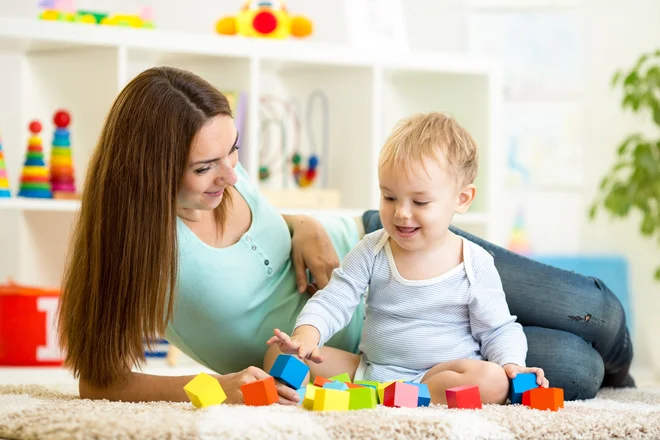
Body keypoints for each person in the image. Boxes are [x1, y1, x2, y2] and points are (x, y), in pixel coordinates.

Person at [57, 66, 633, 405]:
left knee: (593, 311)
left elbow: (262, 236)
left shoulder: (228, 179)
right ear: (152, 170)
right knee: (574, 368)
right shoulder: (141, 249)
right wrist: (217, 385)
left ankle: (628, 376)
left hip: (385, 243)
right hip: (363, 350)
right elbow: (99, 381)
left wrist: (303, 223)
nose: (231, 176)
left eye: (233, 152)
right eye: (206, 168)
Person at [266, 113, 549, 404]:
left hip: (440, 376)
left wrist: (512, 363)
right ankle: (390, 395)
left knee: (492, 380)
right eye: (389, 197)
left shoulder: (474, 262)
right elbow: (334, 300)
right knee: (279, 354)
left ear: (461, 199)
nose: (401, 212)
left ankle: (414, 397)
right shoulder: (371, 250)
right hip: (371, 373)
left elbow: (497, 330)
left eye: (420, 202)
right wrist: (306, 336)